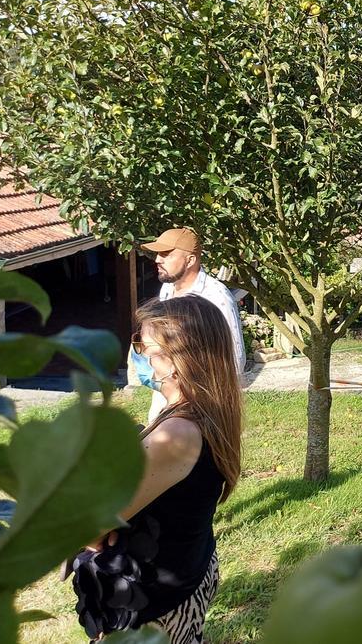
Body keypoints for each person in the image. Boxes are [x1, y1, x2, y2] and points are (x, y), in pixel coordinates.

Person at [72, 296, 242, 643]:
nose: (139, 356)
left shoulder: (176, 434)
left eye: (145, 346)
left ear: (176, 361)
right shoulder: (204, 412)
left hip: (154, 603)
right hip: (185, 570)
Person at [141, 228, 245, 422]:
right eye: (157, 253)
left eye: (166, 254)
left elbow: (235, 360)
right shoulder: (167, 288)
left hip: (201, 406)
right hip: (168, 395)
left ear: (190, 260)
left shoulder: (215, 297)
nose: (157, 259)